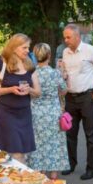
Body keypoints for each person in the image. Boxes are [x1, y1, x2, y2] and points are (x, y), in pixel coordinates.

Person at [60, 24, 93, 180]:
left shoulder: (90, 50)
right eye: (64, 37)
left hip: (88, 97)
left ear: (77, 36)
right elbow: (66, 73)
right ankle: (71, 163)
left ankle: (91, 168)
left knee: (90, 134)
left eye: (68, 37)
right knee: (70, 133)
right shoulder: (65, 52)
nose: (66, 40)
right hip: (70, 98)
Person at [0, 34, 39, 162]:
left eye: (28, 47)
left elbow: (38, 92)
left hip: (25, 114)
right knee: (16, 152)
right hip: (7, 114)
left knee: (21, 151)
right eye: (24, 47)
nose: (28, 50)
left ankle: (18, 177)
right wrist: (10, 89)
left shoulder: (29, 65)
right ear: (14, 47)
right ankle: (19, 178)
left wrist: (29, 90)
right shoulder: (1, 63)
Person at [26, 43, 70, 177]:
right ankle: (53, 178)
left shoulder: (31, 74)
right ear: (49, 56)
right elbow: (64, 91)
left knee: (38, 145)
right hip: (53, 113)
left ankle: (40, 175)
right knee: (54, 144)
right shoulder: (55, 73)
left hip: (35, 113)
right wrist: (66, 76)